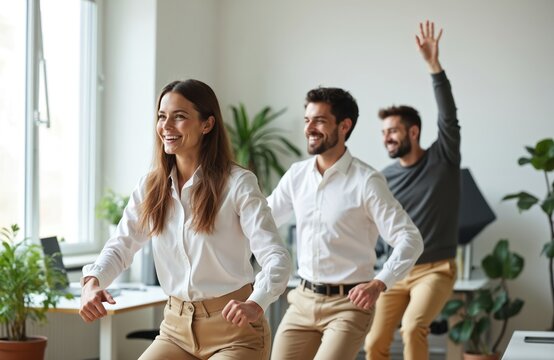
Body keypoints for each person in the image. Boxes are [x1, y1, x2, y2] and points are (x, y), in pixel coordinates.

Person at [78, 79, 291, 360]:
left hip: (235, 333)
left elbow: (277, 257)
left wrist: (257, 303)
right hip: (176, 330)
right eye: (162, 116)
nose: (166, 126)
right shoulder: (150, 186)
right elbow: (122, 244)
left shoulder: (238, 184)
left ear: (207, 124)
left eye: (179, 117)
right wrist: (92, 281)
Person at [267, 84, 424, 360]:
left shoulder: (367, 181)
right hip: (301, 301)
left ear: (344, 126)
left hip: (348, 305)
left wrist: (379, 283)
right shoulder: (296, 175)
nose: (310, 128)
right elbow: (263, 220)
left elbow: (410, 239)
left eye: (320, 120)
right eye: (307, 120)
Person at [364, 21, 460, 360]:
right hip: (396, 270)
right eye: (383, 132)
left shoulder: (442, 159)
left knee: (413, 326)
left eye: (393, 131)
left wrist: (434, 67)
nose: (386, 137)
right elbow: (377, 225)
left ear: (413, 132)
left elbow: (449, 117)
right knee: (374, 342)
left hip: (436, 269)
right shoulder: (383, 177)